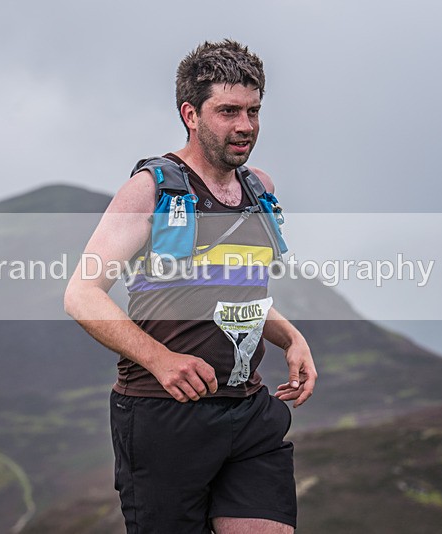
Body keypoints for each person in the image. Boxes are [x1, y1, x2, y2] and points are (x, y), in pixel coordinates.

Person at [64, 39, 317, 534]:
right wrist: (162, 360)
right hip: (163, 415)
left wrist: (291, 337)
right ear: (191, 114)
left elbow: (232, 290)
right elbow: (81, 293)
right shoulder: (153, 189)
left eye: (253, 110)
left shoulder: (259, 188)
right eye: (227, 111)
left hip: (247, 411)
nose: (245, 126)